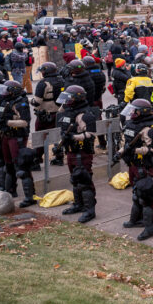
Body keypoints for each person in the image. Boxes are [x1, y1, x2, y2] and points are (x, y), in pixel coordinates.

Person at [115, 99, 153, 241]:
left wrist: (136, 150)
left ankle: (149, 228)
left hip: (144, 167)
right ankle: (136, 220)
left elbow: (152, 149)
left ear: (143, 112)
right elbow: (127, 143)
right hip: (133, 165)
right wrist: (121, 152)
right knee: (136, 195)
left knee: (146, 198)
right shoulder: (130, 125)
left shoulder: (150, 129)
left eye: (136, 111)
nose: (133, 113)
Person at [56, 86, 99, 223]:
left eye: (70, 97)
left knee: (84, 181)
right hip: (70, 150)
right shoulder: (66, 112)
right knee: (75, 180)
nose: (67, 100)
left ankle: (89, 210)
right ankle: (78, 204)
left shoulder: (85, 114)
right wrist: (59, 146)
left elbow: (91, 134)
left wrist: (74, 137)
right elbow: (63, 131)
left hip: (82, 151)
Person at [0, 80, 35, 206]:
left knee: (21, 167)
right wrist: (0, 129)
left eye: (7, 90)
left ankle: (30, 197)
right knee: (8, 165)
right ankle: (10, 191)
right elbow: (2, 117)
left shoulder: (21, 103)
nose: (4, 92)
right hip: (6, 136)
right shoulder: (4, 102)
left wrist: (8, 123)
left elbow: (25, 122)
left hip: (17, 136)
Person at [32, 62, 65, 166]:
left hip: (45, 115)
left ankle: (37, 158)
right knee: (58, 136)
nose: (41, 72)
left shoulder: (43, 83)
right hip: (59, 113)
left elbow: (37, 102)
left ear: (46, 71)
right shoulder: (62, 80)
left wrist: (29, 100)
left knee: (40, 137)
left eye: (42, 70)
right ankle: (59, 157)